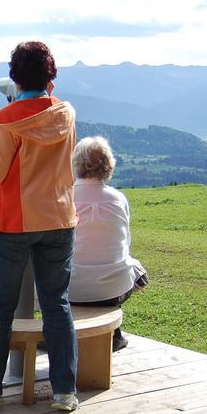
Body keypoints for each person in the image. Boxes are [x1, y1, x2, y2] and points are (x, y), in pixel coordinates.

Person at [0, 41, 80, 412]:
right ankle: (64, 391)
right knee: (57, 303)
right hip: (58, 218)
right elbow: (45, 104)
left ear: (14, 77)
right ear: (50, 75)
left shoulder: (7, 121)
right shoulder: (65, 114)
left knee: (1, 305)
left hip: (13, 223)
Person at [68, 136, 148, 351]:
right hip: (115, 289)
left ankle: (59, 333)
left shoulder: (65, 197)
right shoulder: (118, 198)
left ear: (76, 164)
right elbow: (125, 244)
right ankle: (113, 333)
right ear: (108, 165)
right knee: (128, 265)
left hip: (69, 290)